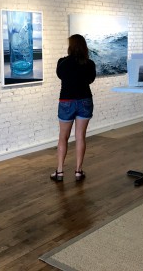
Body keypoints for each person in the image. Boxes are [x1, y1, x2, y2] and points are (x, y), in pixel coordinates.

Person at [51, 34, 96, 182]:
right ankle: (78, 171)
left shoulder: (62, 62)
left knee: (63, 137)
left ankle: (59, 172)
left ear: (70, 46)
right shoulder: (89, 63)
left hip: (66, 101)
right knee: (80, 137)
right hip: (84, 100)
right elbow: (91, 80)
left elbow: (60, 76)